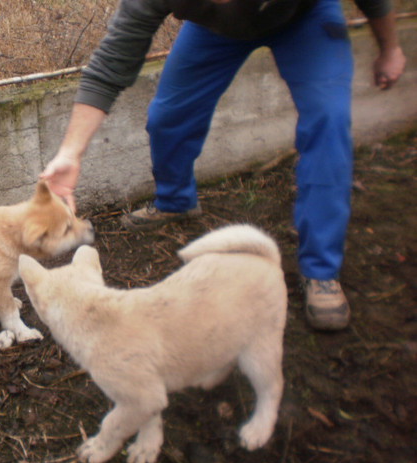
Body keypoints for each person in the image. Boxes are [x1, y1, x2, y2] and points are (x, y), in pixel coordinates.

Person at [39, 0, 405, 331]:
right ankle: (175, 200)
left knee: (328, 122)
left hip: (305, 17)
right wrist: (71, 152)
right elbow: (112, 61)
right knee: (168, 116)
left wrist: (390, 48)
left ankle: (321, 269)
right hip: (216, 33)